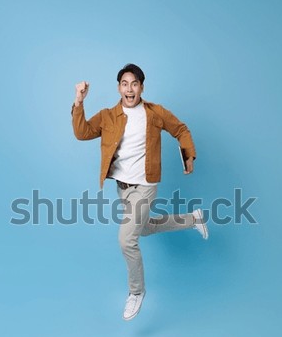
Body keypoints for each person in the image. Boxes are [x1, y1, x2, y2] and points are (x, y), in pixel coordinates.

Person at [71, 64, 208, 321]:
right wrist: (79, 101)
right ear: (119, 88)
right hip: (123, 190)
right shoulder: (109, 116)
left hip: (145, 187)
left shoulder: (154, 113)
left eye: (134, 83)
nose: (129, 89)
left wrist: (188, 154)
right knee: (143, 228)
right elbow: (82, 132)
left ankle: (136, 292)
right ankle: (194, 219)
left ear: (141, 87)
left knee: (126, 239)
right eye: (125, 83)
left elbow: (180, 129)